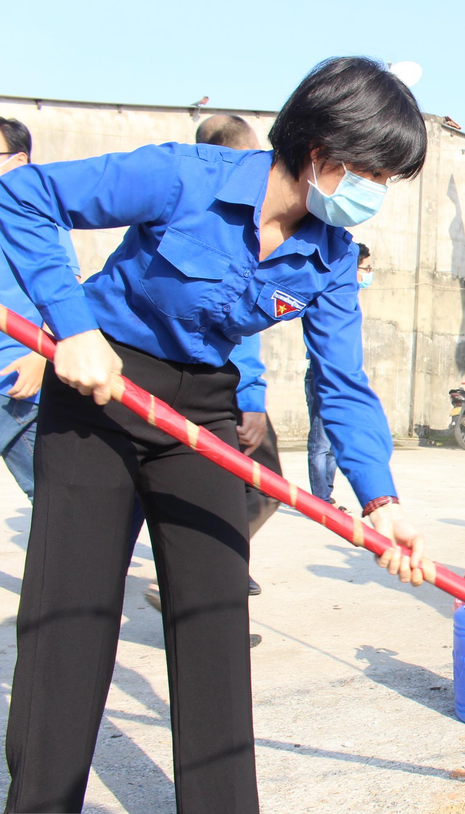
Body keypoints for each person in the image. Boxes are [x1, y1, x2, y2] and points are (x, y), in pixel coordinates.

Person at [0, 56, 429, 814]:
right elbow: (21, 196)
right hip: (101, 387)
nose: (376, 189)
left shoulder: (331, 255)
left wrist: (383, 501)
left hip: (201, 410)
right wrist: (72, 326)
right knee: (70, 606)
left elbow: (340, 381)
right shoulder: (181, 175)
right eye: (373, 170)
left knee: (215, 607)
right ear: (320, 149)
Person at [142, 115, 279, 611]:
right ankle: (203, 574)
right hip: (219, 392)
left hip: (175, 382)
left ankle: (207, 572)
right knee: (262, 487)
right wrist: (251, 397)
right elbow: (227, 327)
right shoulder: (236, 216)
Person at [0, 117, 80, 500]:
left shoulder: (34, 216)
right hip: (14, 385)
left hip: (16, 372)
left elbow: (71, 291)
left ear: (19, 160)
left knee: (53, 497)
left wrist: (38, 355)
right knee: (50, 497)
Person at [305, 241, 370, 505]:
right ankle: (320, 499)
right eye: (366, 268)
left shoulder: (349, 300)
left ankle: (326, 495)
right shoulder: (330, 296)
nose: (368, 274)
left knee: (332, 442)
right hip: (324, 375)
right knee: (321, 442)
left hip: (343, 377)